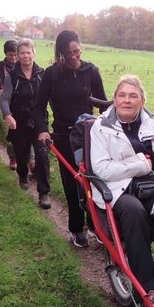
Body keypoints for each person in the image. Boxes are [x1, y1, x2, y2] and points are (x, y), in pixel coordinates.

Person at [89, 75, 154, 307]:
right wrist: (138, 165)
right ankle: (147, 287)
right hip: (118, 187)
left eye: (133, 96)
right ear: (114, 100)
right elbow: (101, 169)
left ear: (142, 101)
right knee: (134, 212)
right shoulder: (101, 127)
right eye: (122, 95)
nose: (127, 100)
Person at [35, 29, 107, 248]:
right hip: (64, 135)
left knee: (93, 181)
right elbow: (38, 107)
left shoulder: (91, 71)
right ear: (61, 54)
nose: (74, 56)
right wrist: (42, 129)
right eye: (68, 54)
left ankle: (94, 225)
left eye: (77, 51)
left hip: (88, 135)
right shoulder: (52, 74)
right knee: (73, 182)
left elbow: (103, 105)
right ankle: (76, 229)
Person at [1, 39, 51, 209]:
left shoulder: (42, 74)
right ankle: (23, 175)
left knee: (43, 155)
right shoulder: (12, 76)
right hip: (19, 122)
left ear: (34, 53)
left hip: (39, 122)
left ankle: (44, 193)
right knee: (21, 157)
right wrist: (8, 115)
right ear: (18, 55)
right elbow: (5, 99)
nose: (25, 56)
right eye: (22, 53)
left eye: (28, 52)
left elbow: (52, 98)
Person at [0, 40, 29, 171]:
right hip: (4, 104)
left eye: (16, 55)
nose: (14, 58)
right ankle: (13, 158)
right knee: (9, 131)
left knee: (26, 131)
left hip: (22, 104)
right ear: (5, 54)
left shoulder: (24, 66)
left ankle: (29, 160)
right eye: (11, 55)